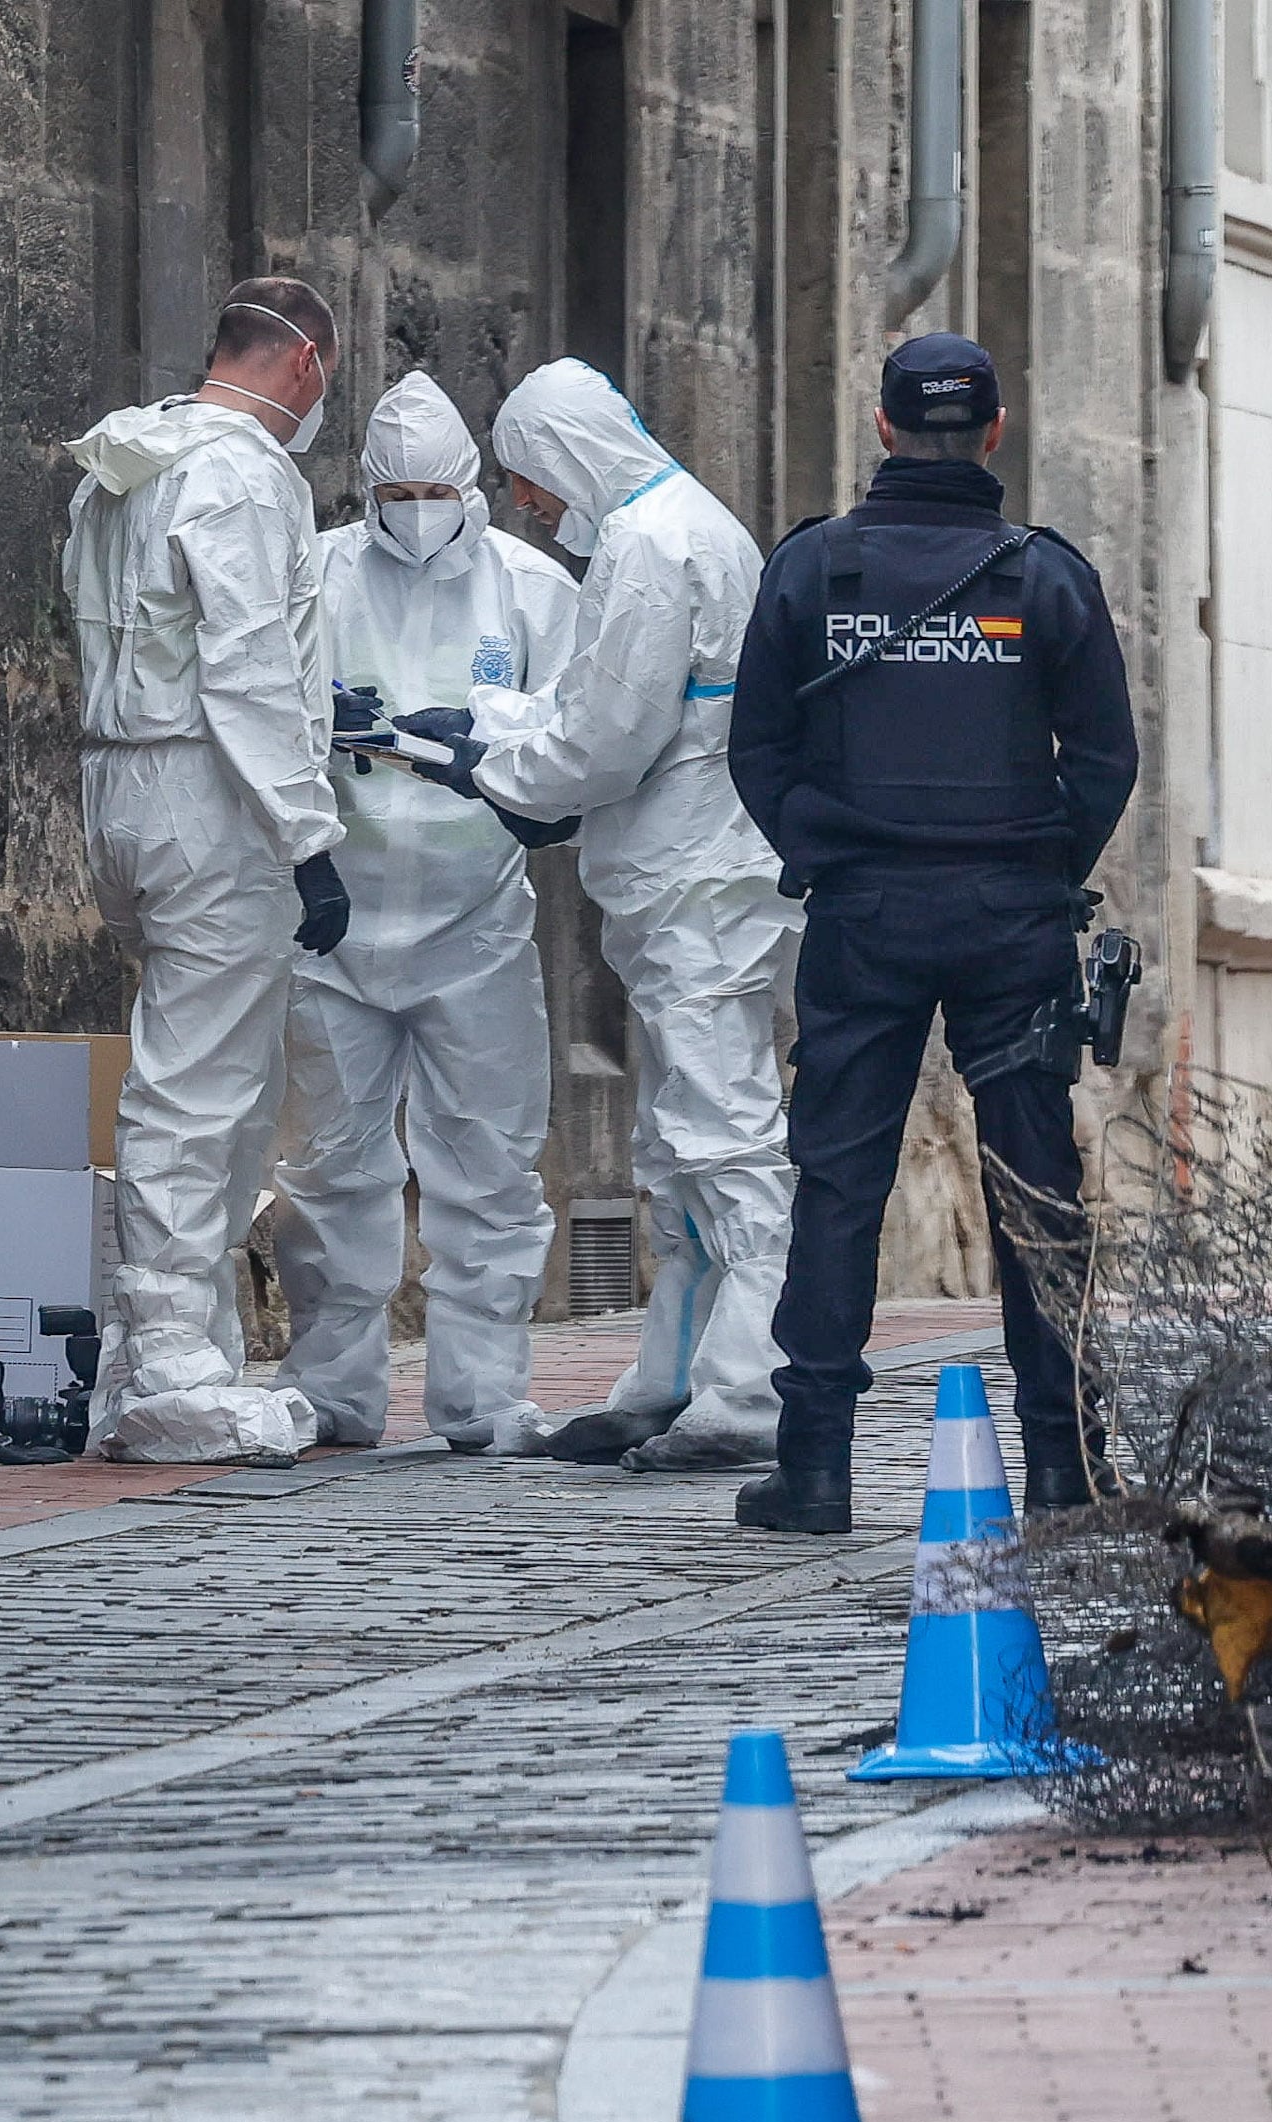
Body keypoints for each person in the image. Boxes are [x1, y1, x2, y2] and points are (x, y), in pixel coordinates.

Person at [719, 334, 1140, 1534]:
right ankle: (1064, 1466)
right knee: (1034, 1189)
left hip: (865, 917)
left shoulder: (813, 570)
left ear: (882, 427)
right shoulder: (1045, 578)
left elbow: (757, 749)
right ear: (995, 433)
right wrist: (1037, 865)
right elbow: (1106, 758)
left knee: (837, 1182)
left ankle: (812, 1471)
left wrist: (830, 850)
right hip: (1011, 923)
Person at [388, 359, 792, 1472]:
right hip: (689, 877)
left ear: (565, 457)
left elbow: (609, 739)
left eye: (527, 478)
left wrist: (487, 765)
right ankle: (672, 1374)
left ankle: (749, 1386)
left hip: (696, 882)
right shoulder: (671, 528)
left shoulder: (650, 548)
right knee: (678, 1141)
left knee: (724, 1136)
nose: (524, 503)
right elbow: (607, 704)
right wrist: (482, 721)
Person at [269, 370, 583, 1454]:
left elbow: (579, 730)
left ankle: (482, 1397)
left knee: (489, 1167)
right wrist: (324, 723)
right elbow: (261, 710)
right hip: (337, 922)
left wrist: (488, 747)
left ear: (469, 489)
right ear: (364, 490)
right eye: (393, 492)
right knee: (330, 1170)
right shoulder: (313, 575)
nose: (414, 511)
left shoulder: (532, 592)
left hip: (475, 922)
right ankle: (334, 1389)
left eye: (431, 491)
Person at [62, 276, 348, 1463]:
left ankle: (153, 1350)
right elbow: (247, 670)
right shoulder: (239, 473)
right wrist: (309, 834)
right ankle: (173, 1364)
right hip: (207, 792)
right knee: (200, 1088)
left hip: (122, 781)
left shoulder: (126, 462)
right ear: (306, 365)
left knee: (197, 1076)